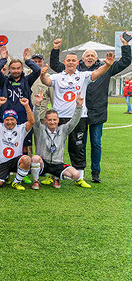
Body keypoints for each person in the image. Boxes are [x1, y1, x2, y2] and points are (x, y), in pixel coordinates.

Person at [48, 34, 130, 182]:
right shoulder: (75, 68)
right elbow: (55, 65)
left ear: (96, 58)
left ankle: (95, 172)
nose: (90, 57)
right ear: (82, 59)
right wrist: (56, 49)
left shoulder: (106, 68)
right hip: (79, 113)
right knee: (79, 144)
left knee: (96, 143)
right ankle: (76, 172)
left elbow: (125, 61)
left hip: (97, 112)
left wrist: (125, 45)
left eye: (93, 55)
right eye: (88, 55)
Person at [40, 47, 114, 181]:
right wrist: (42, 74)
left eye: (73, 60)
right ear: (64, 62)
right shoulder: (57, 76)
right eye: (68, 60)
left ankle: (79, 175)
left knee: (77, 145)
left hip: (78, 116)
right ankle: (54, 174)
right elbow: (46, 82)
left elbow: (97, 73)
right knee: (55, 145)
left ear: (77, 62)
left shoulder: (83, 76)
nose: (70, 63)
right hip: (59, 117)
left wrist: (107, 65)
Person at [31, 90, 91, 189]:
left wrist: (79, 107)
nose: (52, 122)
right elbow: (35, 119)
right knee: (35, 158)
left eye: (54, 119)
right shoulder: (40, 129)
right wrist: (37, 104)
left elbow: (74, 121)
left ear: (58, 120)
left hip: (57, 163)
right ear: (45, 120)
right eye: (49, 120)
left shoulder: (63, 129)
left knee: (76, 175)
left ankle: (57, 177)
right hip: (43, 163)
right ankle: (36, 181)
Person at [0, 46, 41, 156]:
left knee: (25, 145)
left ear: (22, 69)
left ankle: (25, 166)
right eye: (13, 68)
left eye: (18, 68)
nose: (16, 71)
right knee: (8, 143)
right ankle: (9, 165)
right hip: (8, 118)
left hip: (24, 117)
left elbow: (37, 70)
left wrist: (28, 61)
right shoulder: (4, 81)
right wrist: (3, 58)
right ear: (9, 69)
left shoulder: (27, 80)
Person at [0, 97, 35, 190]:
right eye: (7, 119)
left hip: (15, 162)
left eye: (12, 119)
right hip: (0, 163)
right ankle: (5, 176)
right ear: (3, 120)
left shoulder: (21, 129)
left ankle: (16, 182)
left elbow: (31, 121)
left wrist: (26, 106)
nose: (10, 122)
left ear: (16, 120)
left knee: (26, 159)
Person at [29, 54, 54, 123]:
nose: (37, 63)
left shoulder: (49, 78)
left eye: (39, 61)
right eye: (34, 61)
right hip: (27, 116)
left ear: (43, 62)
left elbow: (53, 99)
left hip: (41, 117)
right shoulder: (26, 75)